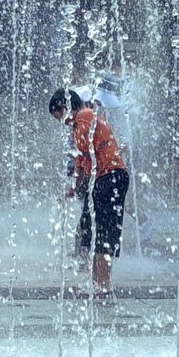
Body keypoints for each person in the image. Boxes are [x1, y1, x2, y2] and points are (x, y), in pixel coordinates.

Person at [50, 88, 130, 299]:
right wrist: (74, 188)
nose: (62, 122)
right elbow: (83, 158)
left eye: (60, 116)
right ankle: (97, 281)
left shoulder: (84, 116)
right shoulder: (80, 122)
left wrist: (76, 177)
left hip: (111, 176)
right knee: (92, 229)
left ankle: (103, 284)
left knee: (104, 231)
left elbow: (83, 150)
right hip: (103, 178)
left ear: (66, 107)